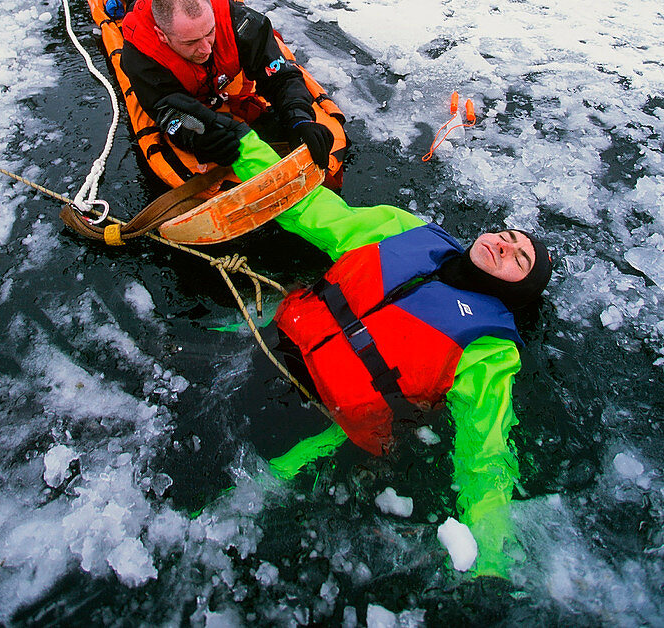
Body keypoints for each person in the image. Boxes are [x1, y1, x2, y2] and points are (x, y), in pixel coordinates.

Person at [230, 128, 553, 579]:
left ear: (518, 292)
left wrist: (491, 562)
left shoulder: (490, 350)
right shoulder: (403, 231)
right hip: (268, 346)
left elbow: (486, 456)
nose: (504, 244)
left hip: (323, 422)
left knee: (228, 495)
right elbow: (309, 207)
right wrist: (241, 143)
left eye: (519, 260)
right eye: (508, 235)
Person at [112, 0, 338, 172]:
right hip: (146, 5)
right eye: (190, 42)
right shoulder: (140, 53)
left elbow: (279, 74)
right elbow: (164, 108)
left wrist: (299, 118)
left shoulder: (239, 22)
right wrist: (198, 138)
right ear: (162, 36)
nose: (206, 49)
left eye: (210, 33)